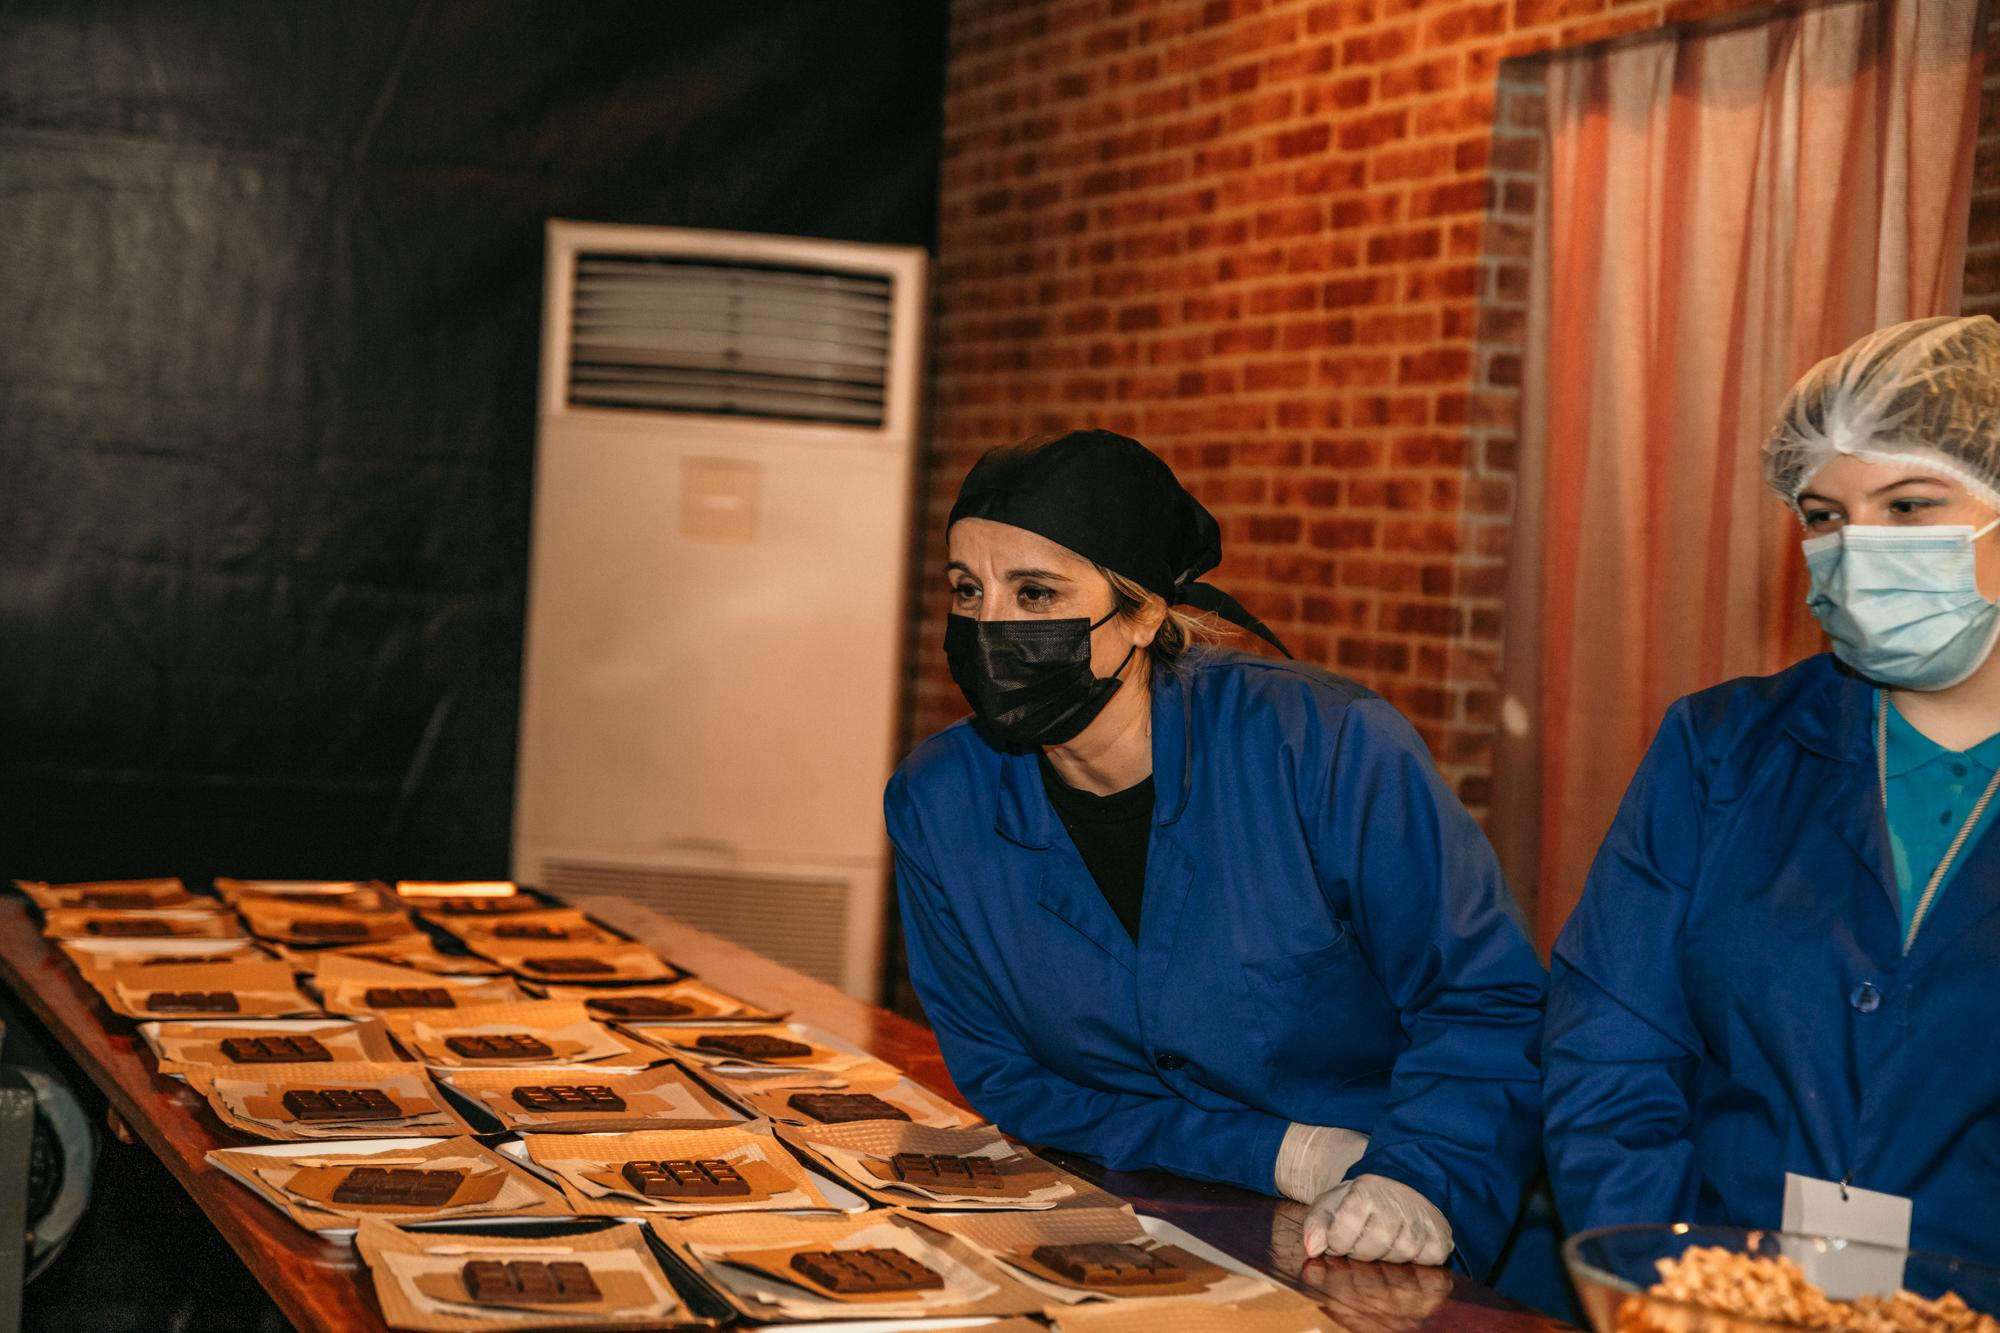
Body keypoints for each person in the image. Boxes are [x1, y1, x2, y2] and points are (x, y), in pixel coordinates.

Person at [884, 429, 1547, 1276]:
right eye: (967, 590)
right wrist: (1278, 1152)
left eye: (1037, 593)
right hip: (1134, 1230)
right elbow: (1008, 1079)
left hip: (1401, 1231)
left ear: (1144, 611)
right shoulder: (938, 801)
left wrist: (1419, 1173)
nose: (989, 626)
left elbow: (1484, 1000)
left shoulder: (1322, 746)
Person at [1544, 315, 2000, 1264]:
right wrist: (1674, 1289)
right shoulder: (1721, 751)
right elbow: (1611, 1054)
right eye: (1824, 515)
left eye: (1909, 506)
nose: (1856, 547)